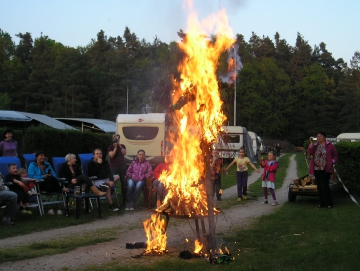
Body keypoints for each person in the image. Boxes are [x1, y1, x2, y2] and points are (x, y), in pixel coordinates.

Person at [308, 131, 338, 209]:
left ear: (324, 137)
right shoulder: (315, 145)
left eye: (320, 136)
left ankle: (329, 203)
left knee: (324, 186)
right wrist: (311, 146)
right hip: (316, 168)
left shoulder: (329, 145)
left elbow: (335, 155)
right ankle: (321, 203)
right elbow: (310, 152)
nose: (318, 138)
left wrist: (332, 161)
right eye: (317, 136)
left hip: (325, 168)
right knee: (319, 186)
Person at [107, 134, 127, 205]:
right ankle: (110, 199)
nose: (117, 139)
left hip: (122, 166)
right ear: (113, 139)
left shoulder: (122, 146)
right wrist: (115, 147)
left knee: (124, 182)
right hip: (113, 166)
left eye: (118, 138)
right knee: (112, 181)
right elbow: (112, 155)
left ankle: (125, 199)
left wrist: (119, 146)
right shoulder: (110, 147)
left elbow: (124, 153)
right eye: (115, 138)